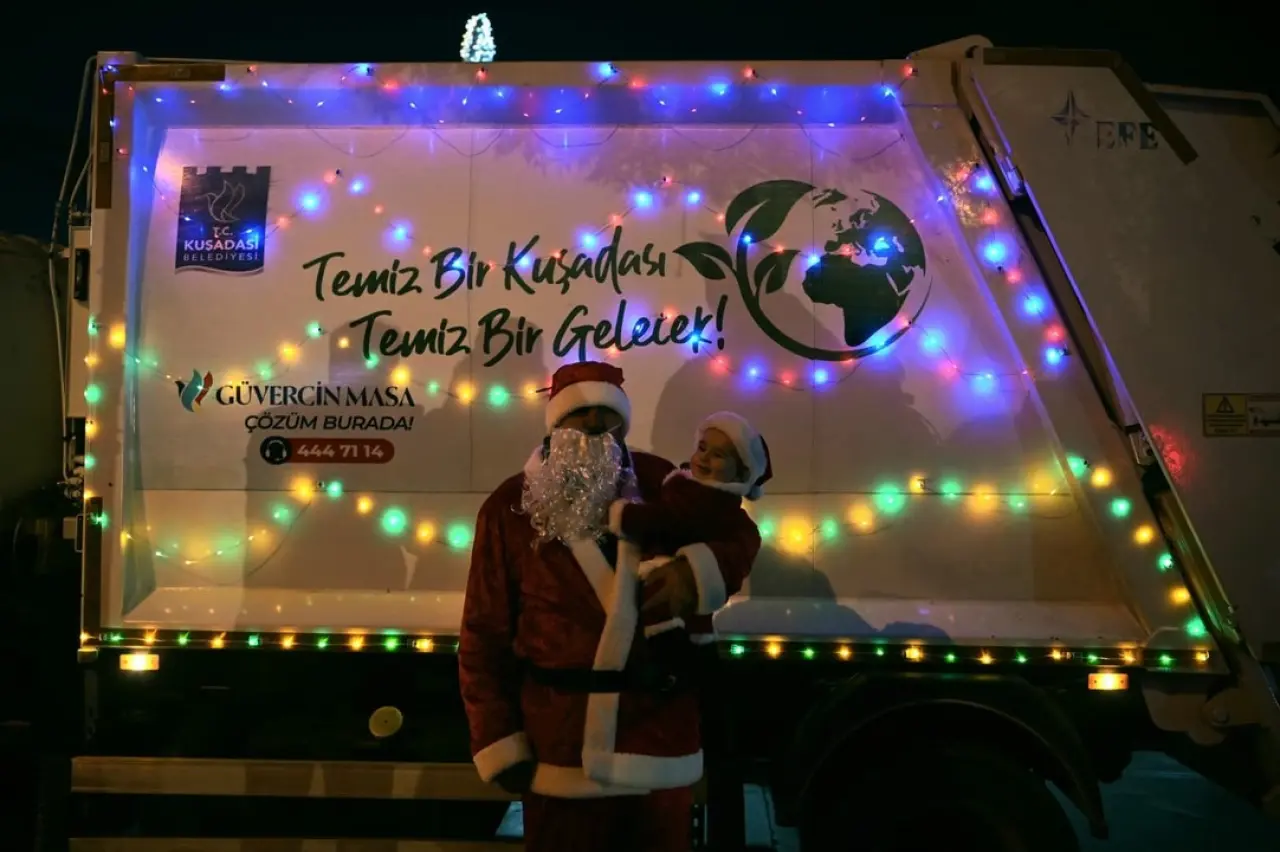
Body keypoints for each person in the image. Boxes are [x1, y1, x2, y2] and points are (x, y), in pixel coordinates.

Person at [458, 361, 762, 851]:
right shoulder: (509, 507)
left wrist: (698, 572)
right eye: (580, 415)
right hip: (561, 752)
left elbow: (738, 533)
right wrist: (498, 740)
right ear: (555, 423)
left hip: (657, 746)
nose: (595, 426)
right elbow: (482, 635)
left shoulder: (662, 482)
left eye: (607, 416)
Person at [607, 411, 772, 647]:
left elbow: (670, 520)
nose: (704, 458)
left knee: (663, 626)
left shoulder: (711, 502)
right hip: (660, 602)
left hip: (664, 594)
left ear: (742, 472)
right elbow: (646, 466)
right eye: (702, 448)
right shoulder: (680, 483)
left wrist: (624, 516)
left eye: (718, 455)